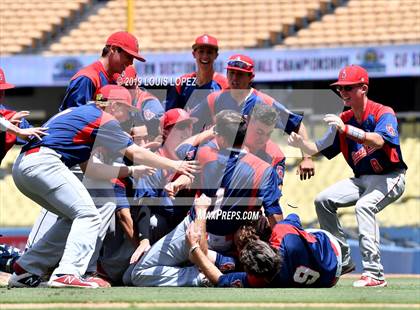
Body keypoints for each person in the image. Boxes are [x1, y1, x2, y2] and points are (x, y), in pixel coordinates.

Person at [8, 85, 197, 288]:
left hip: (26, 166)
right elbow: (136, 153)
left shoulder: (83, 114)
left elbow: (91, 169)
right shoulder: (103, 118)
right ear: (113, 105)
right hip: (43, 163)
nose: (127, 117)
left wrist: (132, 171)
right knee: (88, 214)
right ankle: (67, 272)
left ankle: (26, 269)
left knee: (74, 216)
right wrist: (175, 164)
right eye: (127, 110)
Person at [127, 110, 283, 287]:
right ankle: (219, 268)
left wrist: (214, 130)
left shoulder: (206, 153)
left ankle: (200, 276)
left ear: (221, 137)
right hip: (231, 238)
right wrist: (279, 249)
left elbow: (182, 148)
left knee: (137, 274)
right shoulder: (263, 168)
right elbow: (275, 215)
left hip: (195, 229)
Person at [288, 65, 407, 287]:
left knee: (364, 206)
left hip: (391, 177)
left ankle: (374, 273)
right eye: (340, 89)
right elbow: (318, 147)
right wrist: (301, 145)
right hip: (362, 179)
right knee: (323, 200)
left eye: (348, 88)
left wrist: (347, 130)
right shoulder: (343, 118)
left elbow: (380, 141)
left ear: (363, 88)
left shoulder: (383, 112)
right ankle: (344, 259)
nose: (342, 93)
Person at [191, 54, 314, 180]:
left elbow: (297, 125)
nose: (234, 78)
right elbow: (190, 123)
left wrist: (307, 158)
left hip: (254, 170)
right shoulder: (215, 99)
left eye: (240, 74)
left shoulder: (265, 102)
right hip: (220, 169)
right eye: (231, 73)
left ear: (251, 77)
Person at [189, 213, 342, 288]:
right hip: (332, 254)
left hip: (330, 280)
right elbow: (294, 216)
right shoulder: (282, 233)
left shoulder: (260, 279)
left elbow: (220, 280)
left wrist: (195, 248)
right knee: (303, 234)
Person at [60, 31, 145, 111]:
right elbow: (72, 120)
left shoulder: (117, 79)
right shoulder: (88, 78)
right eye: (128, 57)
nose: (131, 62)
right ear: (113, 49)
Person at [164, 34, 228, 111]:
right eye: (201, 52)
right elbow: (170, 113)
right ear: (194, 54)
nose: (205, 56)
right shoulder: (182, 82)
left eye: (209, 52)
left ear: (216, 55)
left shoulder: (224, 84)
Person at [0, 68, 48, 163]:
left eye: (1, 91)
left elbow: (38, 137)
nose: (0, 95)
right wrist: (18, 131)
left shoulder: (12, 116)